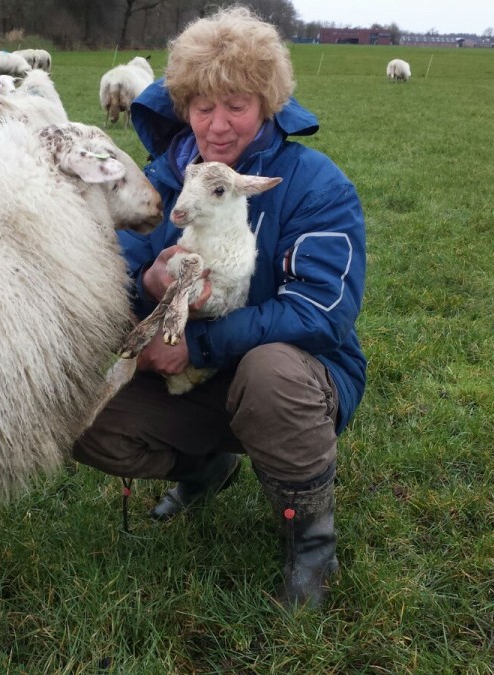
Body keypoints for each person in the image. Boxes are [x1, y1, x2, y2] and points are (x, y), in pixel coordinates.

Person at [72, 6, 367, 609]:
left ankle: (311, 541)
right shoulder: (157, 184)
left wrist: (196, 345)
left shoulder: (314, 185)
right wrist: (144, 287)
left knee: (269, 373)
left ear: (267, 105)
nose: (220, 125)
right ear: (184, 107)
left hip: (298, 377)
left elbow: (322, 313)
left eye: (237, 105)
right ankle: (205, 466)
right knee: (85, 412)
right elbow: (111, 269)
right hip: (195, 379)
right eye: (204, 107)